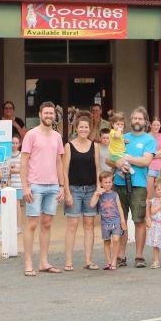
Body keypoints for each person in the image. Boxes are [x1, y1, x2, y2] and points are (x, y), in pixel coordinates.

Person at [20, 102, 65, 276]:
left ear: (54, 116)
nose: (48, 116)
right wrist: (25, 186)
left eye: (51, 114)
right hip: (35, 186)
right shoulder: (31, 135)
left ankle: (44, 261)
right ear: (40, 114)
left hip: (53, 186)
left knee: (47, 224)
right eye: (45, 113)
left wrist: (61, 185)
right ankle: (28, 263)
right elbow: (24, 161)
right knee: (32, 224)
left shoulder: (57, 136)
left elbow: (58, 162)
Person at [112, 107, 156, 269]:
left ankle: (139, 256)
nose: (137, 121)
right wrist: (119, 163)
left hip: (138, 185)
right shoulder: (122, 137)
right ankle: (121, 256)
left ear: (145, 121)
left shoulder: (149, 140)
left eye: (140, 118)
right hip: (119, 183)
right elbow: (111, 158)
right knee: (121, 221)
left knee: (139, 221)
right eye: (134, 118)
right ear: (130, 121)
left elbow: (146, 161)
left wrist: (128, 158)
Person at [63, 113, 101, 271]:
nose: (84, 129)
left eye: (86, 127)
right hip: (74, 189)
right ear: (76, 128)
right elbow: (64, 171)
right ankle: (68, 261)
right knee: (72, 224)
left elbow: (98, 168)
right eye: (81, 127)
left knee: (89, 224)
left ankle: (88, 260)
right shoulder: (69, 146)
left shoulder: (95, 146)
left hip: (91, 189)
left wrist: (99, 189)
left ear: (89, 129)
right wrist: (67, 192)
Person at [90, 171, 125, 271]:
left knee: (116, 239)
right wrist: (96, 194)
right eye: (105, 182)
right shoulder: (99, 194)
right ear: (101, 183)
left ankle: (114, 260)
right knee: (106, 241)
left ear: (112, 183)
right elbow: (92, 205)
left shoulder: (115, 194)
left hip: (116, 221)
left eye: (110, 182)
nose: (108, 184)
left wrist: (122, 220)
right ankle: (108, 261)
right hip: (105, 222)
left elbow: (119, 207)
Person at [5, 135, 24, 234]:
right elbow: (5, 169)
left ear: (19, 144)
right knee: (9, 205)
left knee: (17, 205)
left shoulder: (21, 155)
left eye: (16, 143)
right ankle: (11, 225)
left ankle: (18, 227)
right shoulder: (7, 155)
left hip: (18, 184)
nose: (14, 145)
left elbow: (23, 169)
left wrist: (11, 170)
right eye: (13, 143)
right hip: (8, 184)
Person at [147, 119, 161, 199]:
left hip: (160, 167)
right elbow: (145, 153)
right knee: (149, 192)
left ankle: (160, 210)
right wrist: (156, 154)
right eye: (154, 125)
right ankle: (148, 210)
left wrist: (153, 154)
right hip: (150, 167)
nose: (156, 127)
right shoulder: (146, 136)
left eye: (158, 125)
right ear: (150, 125)